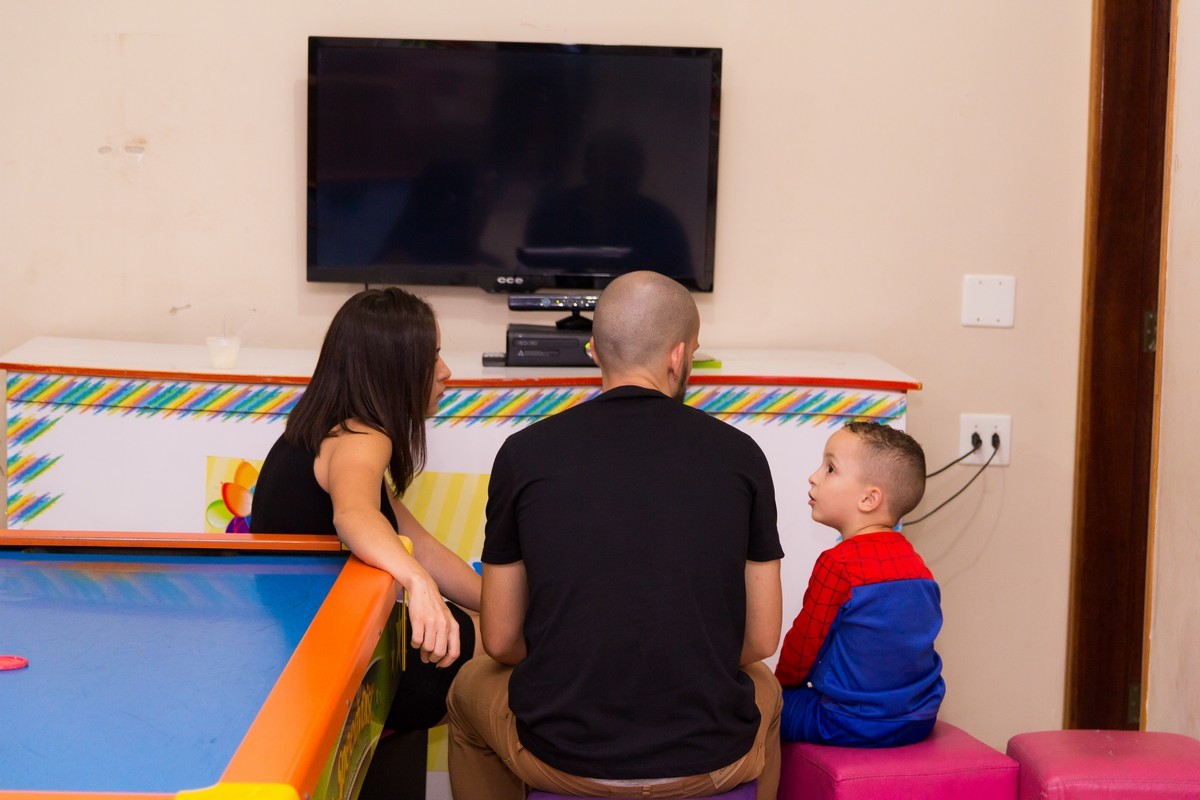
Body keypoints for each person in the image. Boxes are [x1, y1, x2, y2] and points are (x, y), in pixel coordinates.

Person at [446, 270, 784, 799]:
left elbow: (501, 640)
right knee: (768, 687)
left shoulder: (523, 454)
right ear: (678, 356)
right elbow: (761, 640)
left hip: (562, 759)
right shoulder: (742, 456)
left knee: (467, 691)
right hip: (707, 762)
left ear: (594, 351)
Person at [250, 287, 482, 733]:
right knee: (511, 647)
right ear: (393, 367)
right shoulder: (363, 437)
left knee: (499, 626)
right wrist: (419, 583)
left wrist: (496, 603)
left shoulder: (324, 430)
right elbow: (354, 515)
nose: (445, 371)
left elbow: (421, 546)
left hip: (306, 652)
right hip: (341, 667)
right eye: (432, 356)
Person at [775, 421, 944, 747]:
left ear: (869, 498)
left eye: (830, 468)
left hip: (847, 721)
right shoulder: (919, 567)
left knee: (755, 703)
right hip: (919, 719)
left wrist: (778, 687)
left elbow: (802, 649)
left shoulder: (839, 564)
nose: (813, 476)